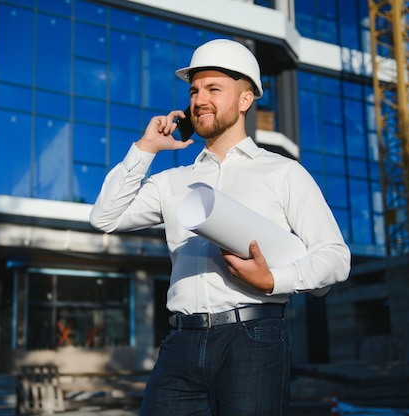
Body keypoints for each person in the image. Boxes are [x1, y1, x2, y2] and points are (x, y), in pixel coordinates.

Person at [90, 39, 351, 416]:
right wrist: (146, 148)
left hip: (253, 340)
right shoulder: (174, 181)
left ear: (245, 100)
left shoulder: (283, 172)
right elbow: (105, 217)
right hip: (181, 342)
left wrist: (274, 280)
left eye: (214, 89)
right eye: (194, 90)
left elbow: (335, 257)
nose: (199, 100)